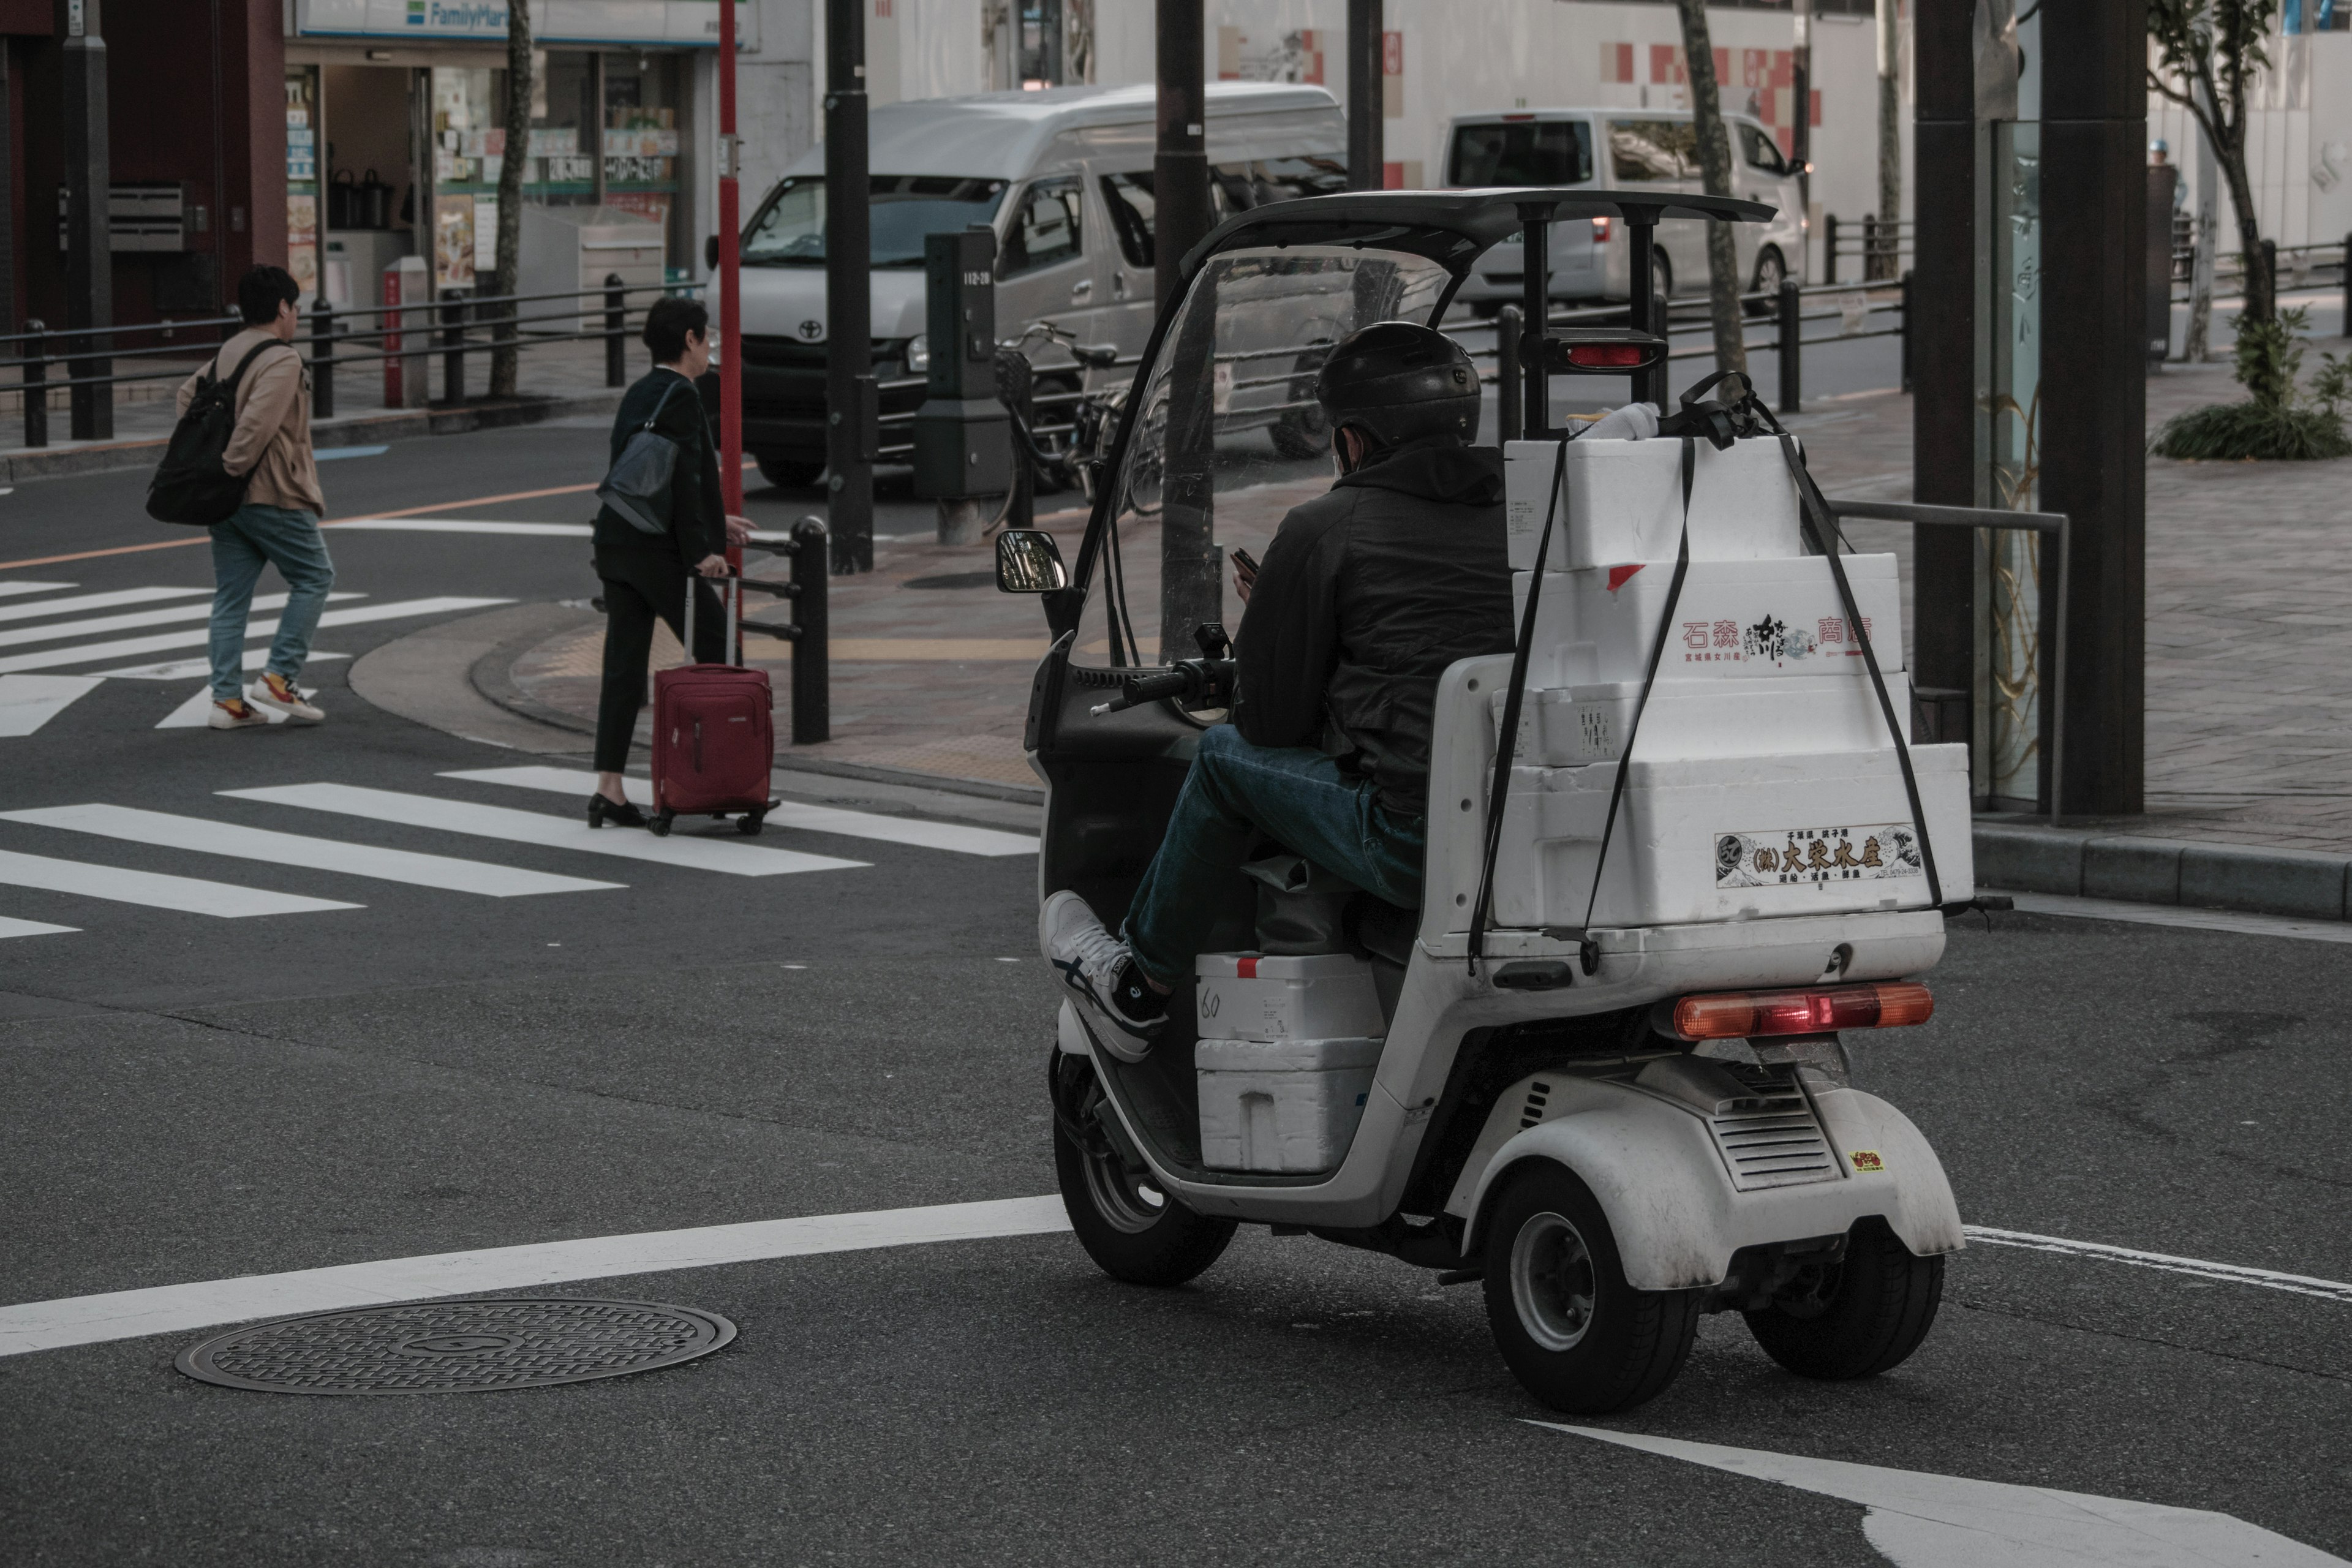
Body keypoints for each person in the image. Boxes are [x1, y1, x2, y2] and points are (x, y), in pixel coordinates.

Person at [1042, 321, 1516, 1058]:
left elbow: (1269, 721)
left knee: (1225, 760)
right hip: (1521, 827)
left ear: (1354, 441)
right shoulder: (1533, 517)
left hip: (1412, 842)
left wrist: (1275, 614)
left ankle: (1135, 987)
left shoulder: (1326, 526)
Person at [588, 295, 753, 827]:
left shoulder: (639, 393)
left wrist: (715, 523)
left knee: (623, 667)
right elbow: (685, 479)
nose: (710, 350)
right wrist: (703, 551)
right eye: (707, 338)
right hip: (657, 551)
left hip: (616, 543)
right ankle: (717, 776)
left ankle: (609, 789)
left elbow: (641, 475)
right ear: (690, 340)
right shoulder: (683, 395)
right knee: (719, 647)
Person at [180, 265, 334, 730]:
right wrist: (233, 467)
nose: (297, 317)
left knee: (231, 597)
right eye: (296, 308)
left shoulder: (231, 350)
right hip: (269, 493)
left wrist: (214, 470)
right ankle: (279, 677)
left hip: (226, 504)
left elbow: (186, 397)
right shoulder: (283, 359)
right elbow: (258, 425)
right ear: (284, 308)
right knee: (314, 577)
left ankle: (227, 702)